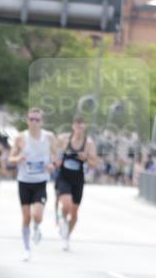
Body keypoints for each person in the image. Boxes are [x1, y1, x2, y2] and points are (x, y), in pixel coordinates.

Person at [7, 108, 57, 261]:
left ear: (42, 121)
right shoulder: (21, 137)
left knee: (37, 215)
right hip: (24, 181)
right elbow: (10, 158)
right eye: (31, 119)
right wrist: (18, 159)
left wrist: (52, 165)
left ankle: (37, 227)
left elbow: (55, 157)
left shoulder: (49, 137)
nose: (34, 122)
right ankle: (27, 248)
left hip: (40, 181)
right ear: (27, 120)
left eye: (37, 119)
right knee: (26, 216)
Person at [55, 116, 98, 251]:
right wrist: (57, 160)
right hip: (64, 177)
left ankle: (66, 236)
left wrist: (86, 158)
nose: (79, 129)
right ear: (73, 126)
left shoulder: (88, 144)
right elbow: (54, 154)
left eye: (81, 126)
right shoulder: (64, 139)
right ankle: (62, 220)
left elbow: (94, 163)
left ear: (85, 127)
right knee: (66, 204)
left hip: (78, 180)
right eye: (76, 125)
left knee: (74, 213)